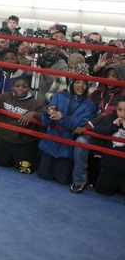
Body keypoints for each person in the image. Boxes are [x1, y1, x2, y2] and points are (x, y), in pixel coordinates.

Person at [70, 64, 125, 193]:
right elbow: (86, 107)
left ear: (121, 78)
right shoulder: (97, 92)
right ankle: (79, 180)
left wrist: (86, 127)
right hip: (93, 131)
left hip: (111, 133)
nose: (110, 79)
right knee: (80, 142)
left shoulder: (122, 95)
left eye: (115, 76)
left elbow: (107, 115)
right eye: (108, 75)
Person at [37, 64, 95, 185]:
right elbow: (46, 122)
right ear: (72, 83)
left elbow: (79, 122)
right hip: (51, 141)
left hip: (68, 146)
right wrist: (49, 111)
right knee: (43, 175)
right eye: (77, 82)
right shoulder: (59, 96)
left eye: (84, 83)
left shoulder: (90, 105)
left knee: (62, 179)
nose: (81, 85)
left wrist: (62, 118)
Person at [0, 76, 43, 173]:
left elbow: (44, 116)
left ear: (28, 88)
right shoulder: (6, 96)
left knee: (25, 170)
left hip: (24, 142)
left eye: (24, 87)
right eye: (17, 86)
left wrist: (33, 113)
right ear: (12, 87)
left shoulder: (35, 103)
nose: (20, 89)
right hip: (5, 138)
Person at [90, 97, 125, 195]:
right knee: (102, 191)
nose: (123, 114)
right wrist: (112, 126)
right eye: (120, 110)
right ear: (116, 109)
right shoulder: (111, 118)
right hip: (109, 165)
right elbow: (96, 130)